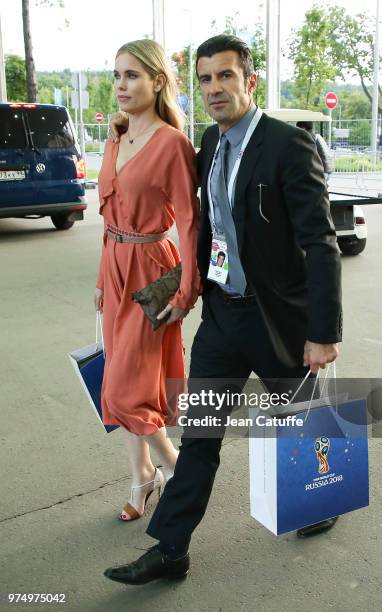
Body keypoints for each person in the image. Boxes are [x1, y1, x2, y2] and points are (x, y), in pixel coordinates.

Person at [104, 34, 342, 585]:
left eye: (225, 76)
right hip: (223, 318)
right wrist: (180, 290)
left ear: (249, 81)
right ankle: (170, 548)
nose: (214, 88)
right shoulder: (208, 144)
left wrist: (322, 331)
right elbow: (199, 226)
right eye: (205, 78)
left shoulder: (287, 145)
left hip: (278, 321)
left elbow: (320, 243)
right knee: (201, 436)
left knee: (300, 419)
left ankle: (323, 496)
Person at [95, 39, 200, 523]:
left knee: (124, 390)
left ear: (158, 81)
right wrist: (101, 278)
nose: (120, 85)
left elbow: (190, 221)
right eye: (117, 75)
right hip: (114, 266)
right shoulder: (116, 136)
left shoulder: (171, 143)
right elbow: (109, 218)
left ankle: (177, 470)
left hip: (150, 270)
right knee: (124, 379)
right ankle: (141, 479)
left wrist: (188, 287)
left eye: (132, 75)